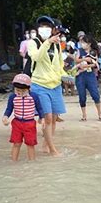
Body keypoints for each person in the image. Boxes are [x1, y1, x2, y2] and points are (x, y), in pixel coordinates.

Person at [27, 15, 66, 156]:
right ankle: (53, 150)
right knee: (47, 117)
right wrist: (47, 42)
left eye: (47, 26)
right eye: (41, 26)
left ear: (53, 29)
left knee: (54, 117)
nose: (44, 29)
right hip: (39, 84)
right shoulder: (33, 43)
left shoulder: (57, 45)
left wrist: (68, 75)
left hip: (55, 85)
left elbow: (59, 65)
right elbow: (36, 57)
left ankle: (46, 145)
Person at [2, 74, 44, 161]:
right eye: (17, 90)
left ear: (29, 88)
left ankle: (32, 162)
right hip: (17, 123)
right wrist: (5, 117)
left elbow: (39, 108)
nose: (20, 93)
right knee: (16, 143)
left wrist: (42, 118)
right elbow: (9, 109)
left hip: (30, 123)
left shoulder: (34, 96)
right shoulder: (13, 97)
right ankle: (14, 162)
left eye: (23, 91)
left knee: (30, 144)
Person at [75, 34, 101, 121]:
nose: (82, 44)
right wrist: (85, 60)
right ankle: (84, 115)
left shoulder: (93, 52)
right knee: (82, 96)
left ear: (89, 43)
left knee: (95, 94)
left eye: (84, 42)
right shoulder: (79, 50)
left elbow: (95, 64)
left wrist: (86, 66)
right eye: (82, 42)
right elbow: (76, 60)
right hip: (80, 76)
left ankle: (100, 113)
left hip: (90, 75)